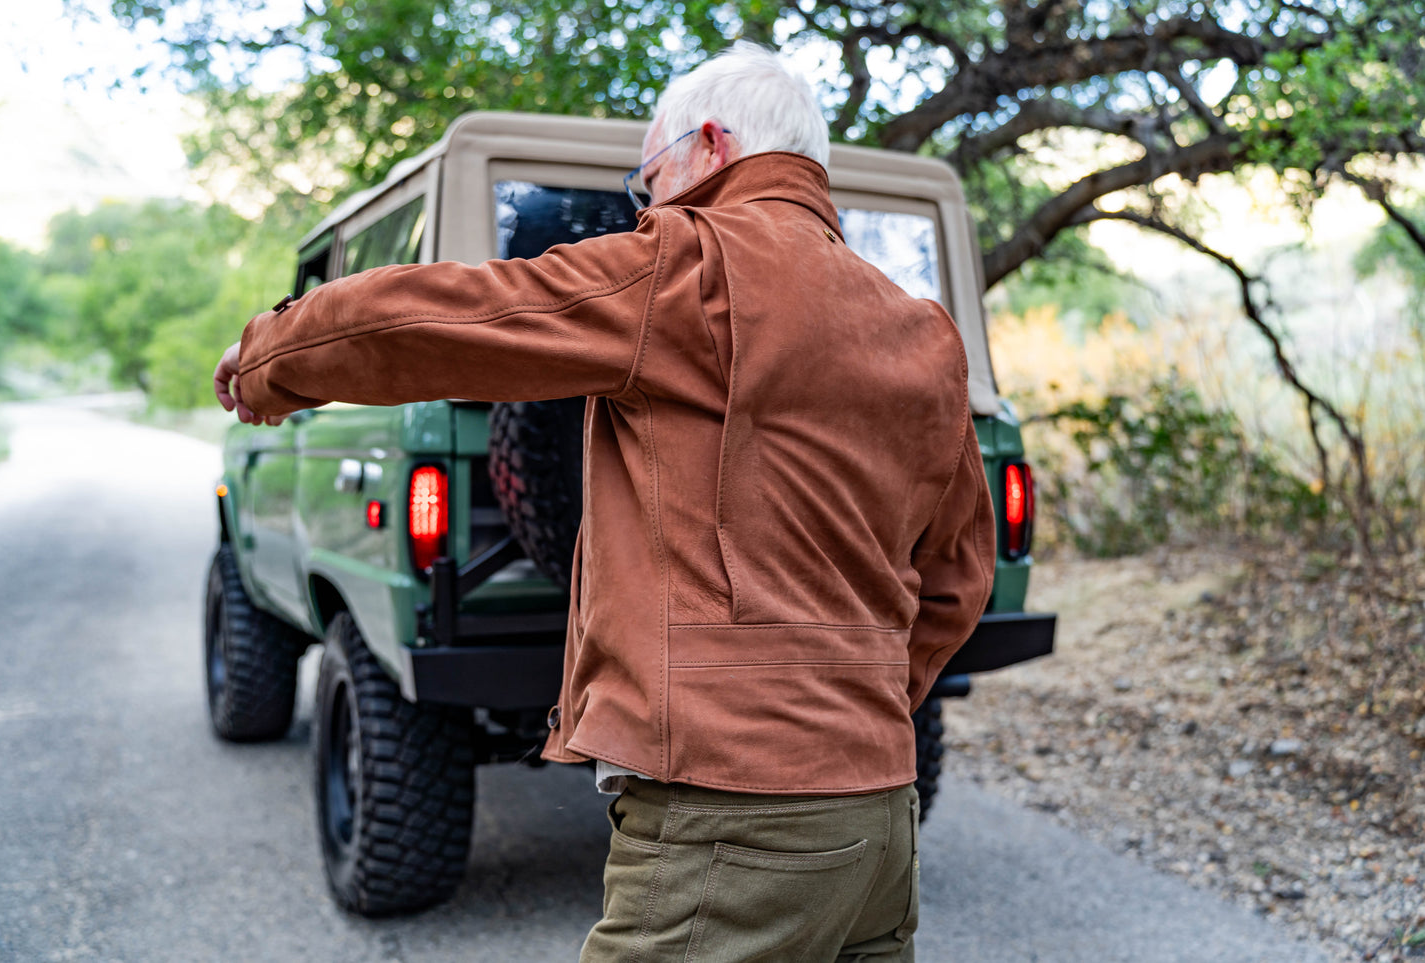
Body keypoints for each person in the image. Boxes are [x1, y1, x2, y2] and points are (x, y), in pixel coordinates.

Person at [213, 42, 994, 962]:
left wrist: (272, 357)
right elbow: (956, 577)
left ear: (711, 146)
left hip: (731, 813)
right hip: (878, 815)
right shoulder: (920, 329)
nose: (642, 206)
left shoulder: (689, 268)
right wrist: (849, 706)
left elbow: (451, 315)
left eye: (648, 178)